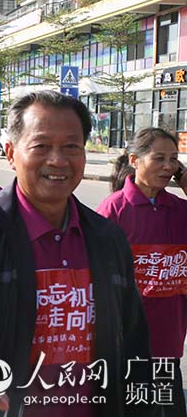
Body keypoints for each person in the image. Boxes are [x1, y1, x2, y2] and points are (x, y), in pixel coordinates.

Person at [0, 90, 154, 417]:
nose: (58, 160)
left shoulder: (108, 238)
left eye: (71, 146)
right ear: (11, 153)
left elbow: (134, 340)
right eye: (41, 146)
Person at [98, 127, 187, 417]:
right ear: (135, 159)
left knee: (169, 409)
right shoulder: (114, 210)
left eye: (174, 159)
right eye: (159, 158)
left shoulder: (179, 210)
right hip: (127, 341)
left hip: (169, 337)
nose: (167, 166)